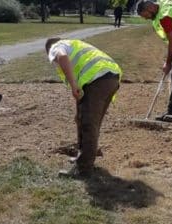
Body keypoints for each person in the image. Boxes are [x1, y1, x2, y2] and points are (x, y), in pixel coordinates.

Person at [45, 38, 122, 178]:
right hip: (111, 77)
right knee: (89, 122)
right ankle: (87, 156)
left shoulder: (56, 47)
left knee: (88, 124)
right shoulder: (74, 45)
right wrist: (79, 113)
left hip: (97, 80)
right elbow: (81, 93)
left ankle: (83, 169)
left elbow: (62, 57)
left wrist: (73, 85)